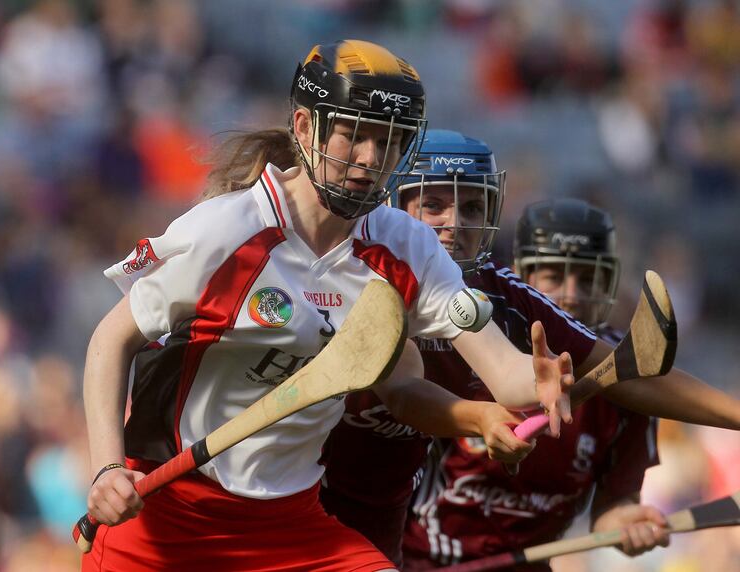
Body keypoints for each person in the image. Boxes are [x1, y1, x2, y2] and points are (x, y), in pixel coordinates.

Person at [80, 42, 573, 572]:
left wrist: (540, 379)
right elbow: (112, 339)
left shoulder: (406, 248)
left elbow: (505, 373)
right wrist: (107, 468)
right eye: (354, 133)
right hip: (168, 520)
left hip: (291, 527)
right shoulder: (225, 231)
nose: (369, 160)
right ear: (304, 126)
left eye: (388, 142)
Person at [318, 130, 740, 569]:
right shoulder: (349, 281)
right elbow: (405, 395)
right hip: (316, 505)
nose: (455, 224)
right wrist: (480, 417)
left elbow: (629, 374)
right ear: (395, 206)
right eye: (434, 204)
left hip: (400, 535)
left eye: (473, 207)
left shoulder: (505, 299)